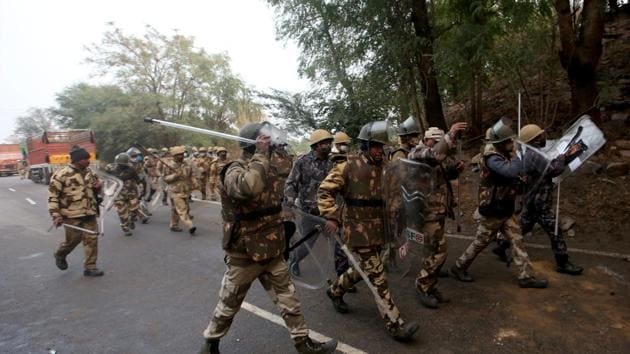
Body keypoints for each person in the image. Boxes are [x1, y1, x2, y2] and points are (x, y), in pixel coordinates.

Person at [201, 122, 337, 354]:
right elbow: (248, 188)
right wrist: (261, 153)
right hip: (246, 253)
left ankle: (303, 344)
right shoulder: (233, 169)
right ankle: (210, 344)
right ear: (256, 143)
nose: (272, 143)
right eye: (267, 139)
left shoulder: (270, 167)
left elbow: (280, 195)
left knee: (289, 300)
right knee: (228, 304)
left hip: (272, 248)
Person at [318, 121, 419, 341]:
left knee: (364, 269)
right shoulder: (348, 165)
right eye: (375, 146)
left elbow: (393, 198)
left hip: (379, 230)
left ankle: (335, 290)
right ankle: (395, 325)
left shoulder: (387, 168)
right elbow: (324, 191)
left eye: (381, 147)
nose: (379, 151)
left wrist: (399, 222)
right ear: (365, 145)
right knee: (378, 276)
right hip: (357, 230)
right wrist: (332, 215)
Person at [450, 118, 549, 288]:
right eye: (509, 140)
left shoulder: (503, 154)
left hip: (505, 207)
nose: (512, 142)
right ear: (501, 143)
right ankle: (459, 266)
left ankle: (525, 276)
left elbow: (514, 176)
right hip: (493, 209)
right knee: (481, 241)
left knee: (517, 240)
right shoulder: (491, 158)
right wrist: (517, 155)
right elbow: (510, 171)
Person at [492, 124, 584, 275]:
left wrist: (564, 157)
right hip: (539, 201)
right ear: (534, 140)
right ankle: (562, 262)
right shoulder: (534, 155)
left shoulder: (532, 153)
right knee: (555, 231)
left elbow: (548, 167)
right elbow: (554, 170)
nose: (543, 137)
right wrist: (566, 156)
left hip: (533, 200)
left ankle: (501, 245)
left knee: (523, 227)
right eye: (540, 136)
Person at [399, 124, 466, 308]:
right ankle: (423, 285)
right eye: (434, 141)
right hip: (426, 213)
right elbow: (432, 157)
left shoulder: (433, 152)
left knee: (434, 251)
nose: (436, 144)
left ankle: (430, 285)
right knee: (438, 251)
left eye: (439, 141)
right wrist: (450, 135)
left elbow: (439, 173)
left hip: (438, 210)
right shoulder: (417, 152)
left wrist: (455, 170)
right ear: (427, 139)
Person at [285, 129, 334, 276]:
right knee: (307, 244)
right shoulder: (302, 162)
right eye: (325, 143)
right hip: (309, 213)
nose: (329, 145)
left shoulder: (332, 163)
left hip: (329, 213)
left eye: (329, 142)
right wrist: (289, 200)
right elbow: (291, 183)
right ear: (316, 145)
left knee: (337, 244)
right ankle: (294, 260)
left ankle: (342, 278)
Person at [49, 147, 104, 277]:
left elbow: (97, 191)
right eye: (85, 159)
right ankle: (60, 253)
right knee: (73, 240)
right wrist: (56, 215)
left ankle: (90, 267)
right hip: (71, 215)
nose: (88, 161)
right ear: (77, 160)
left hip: (89, 212)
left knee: (91, 239)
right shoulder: (61, 175)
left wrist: (98, 187)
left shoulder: (91, 173)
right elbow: (53, 196)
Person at [329, 132, 352, 280]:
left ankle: (344, 275)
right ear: (336, 145)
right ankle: (341, 276)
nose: (345, 147)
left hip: (346, 207)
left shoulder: (348, 160)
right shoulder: (331, 161)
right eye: (342, 144)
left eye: (346, 144)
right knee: (340, 246)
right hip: (334, 208)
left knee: (345, 244)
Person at [105, 153, 144, 236]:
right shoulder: (111, 169)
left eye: (124, 164)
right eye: (120, 164)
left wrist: (141, 187)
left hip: (131, 193)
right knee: (122, 212)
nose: (122, 166)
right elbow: (106, 179)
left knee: (135, 209)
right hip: (118, 194)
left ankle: (132, 220)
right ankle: (125, 227)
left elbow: (138, 180)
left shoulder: (131, 169)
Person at [163, 146, 196, 235]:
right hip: (175, 191)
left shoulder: (186, 164)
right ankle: (190, 225)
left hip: (185, 190)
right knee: (182, 209)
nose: (181, 156)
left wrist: (194, 182)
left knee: (176, 209)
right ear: (174, 155)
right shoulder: (169, 165)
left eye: (182, 154)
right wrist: (174, 176)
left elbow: (191, 174)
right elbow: (165, 178)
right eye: (178, 155)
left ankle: (174, 225)